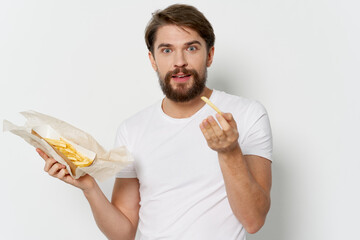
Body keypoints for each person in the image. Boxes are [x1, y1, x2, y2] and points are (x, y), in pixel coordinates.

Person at [37, 4, 272, 240]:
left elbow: (253, 221)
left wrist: (229, 152)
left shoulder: (247, 115)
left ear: (209, 55)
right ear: (153, 59)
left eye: (191, 48)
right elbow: (123, 232)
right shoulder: (132, 129)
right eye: (167, 50)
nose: (179, 61)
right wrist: (89, 186)